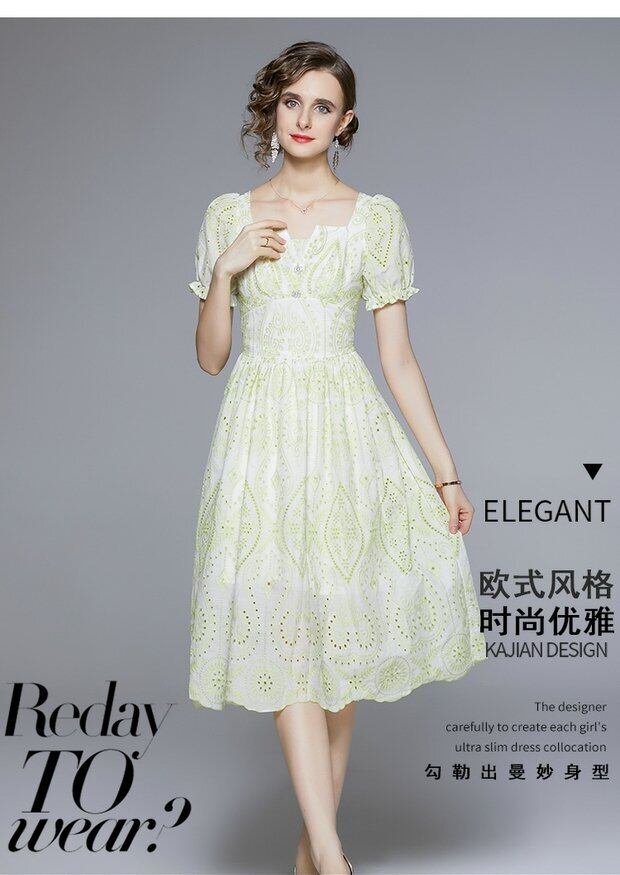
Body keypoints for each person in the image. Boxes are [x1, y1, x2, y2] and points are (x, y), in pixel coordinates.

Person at [186, 40, 487, 875]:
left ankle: (312, 854)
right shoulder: (229, 215)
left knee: (340, 649)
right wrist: (227, 270)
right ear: (272, 110)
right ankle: (331, 853)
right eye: (292, 102)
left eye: (322, 106)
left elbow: (398, 359)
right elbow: (211, 358)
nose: (304, 119)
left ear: (345, 121)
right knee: (289, 639)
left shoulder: (375, 218)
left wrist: (446, 470)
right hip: (262, 444)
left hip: (347, 442)